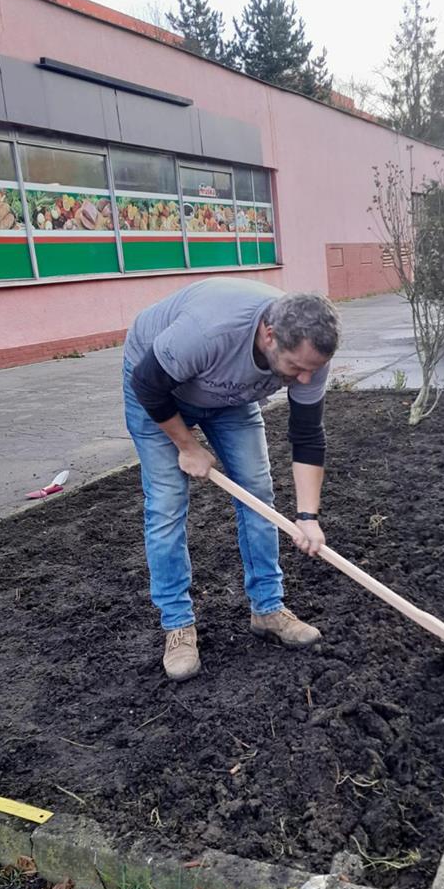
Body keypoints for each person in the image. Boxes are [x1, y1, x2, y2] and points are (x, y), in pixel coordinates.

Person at [122, 276, 340, 681]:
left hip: (228, 395)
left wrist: (308, 516)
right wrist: (187, 445)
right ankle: (178, 626)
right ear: (269, 335)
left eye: (312, 369)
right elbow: (148, 384)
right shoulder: (208, 330)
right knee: (167, 503)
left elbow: (308, 434)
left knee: (258, 492)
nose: (304, 379)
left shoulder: (311, 356)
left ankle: (268, 609)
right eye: (295, 368)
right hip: (157, 387)